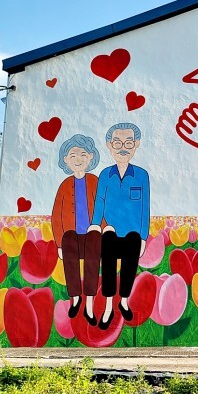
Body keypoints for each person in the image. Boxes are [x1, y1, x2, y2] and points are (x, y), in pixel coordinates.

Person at [88, 122, 151, 330]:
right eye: (117, 142)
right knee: (108, 266)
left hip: (133, 232)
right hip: (110, 230)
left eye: (128, 142)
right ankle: (108, 307)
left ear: (136, 144)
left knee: (129, 267)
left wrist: (143, 236)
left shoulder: (141, 175)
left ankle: (123, 301)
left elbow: (145, 207)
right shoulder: (105, 175)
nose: (122, 147)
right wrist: (95, 224)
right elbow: (99, 201)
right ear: (109, 145)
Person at [51, 134, 102, 324]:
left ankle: (89, 303)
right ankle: (75, 299)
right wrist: (59, 244)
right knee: (69, 253)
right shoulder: (65, 185)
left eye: (83, 155)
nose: (78, 159)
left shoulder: (95, 181)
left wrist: (105, 231)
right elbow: (56, 216)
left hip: (93, 236)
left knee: (91, 265)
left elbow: (103, 209)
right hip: (71, 237)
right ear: (66, 160)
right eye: (73, 155)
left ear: (90, 157)